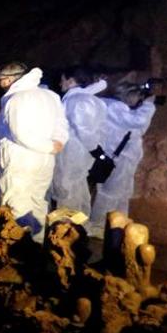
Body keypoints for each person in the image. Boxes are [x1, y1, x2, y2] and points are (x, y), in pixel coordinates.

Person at [0, 61, 68, 240]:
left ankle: (21, 254)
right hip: (45, 160)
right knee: (38, 203)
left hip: (20, 161)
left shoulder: (16, 99)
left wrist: (48, 146)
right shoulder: (50, 96)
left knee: (16, 205)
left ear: (11, 79)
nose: (0, 85)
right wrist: (56, 144)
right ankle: (37, 245)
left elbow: (20, 134)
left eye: (1, 80)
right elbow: (62, 124)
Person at [89, 82, 157, 233]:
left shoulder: (118, 109)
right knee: (109, 193)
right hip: (118, 159)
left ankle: (118, 226)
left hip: (122, 158)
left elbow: (137, 130)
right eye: (138, 97)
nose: (138, 101)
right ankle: (97, 226)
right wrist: (148, 106)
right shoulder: (114, 108)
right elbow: (137, 122)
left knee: (122, 193)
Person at [49, 66, 109, 227]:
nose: (60, 83)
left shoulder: (77, 101)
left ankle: (66, 234)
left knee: (66, 192)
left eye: (62, 79)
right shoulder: (89, 99)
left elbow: (84, 128)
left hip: (73, 154)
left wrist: (95, 150)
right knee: (78, 190)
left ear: (70, 80)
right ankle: (80, 229)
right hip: (81, 154)